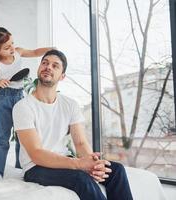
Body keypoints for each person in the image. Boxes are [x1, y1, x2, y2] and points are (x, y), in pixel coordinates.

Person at [12, 49, 133, 200]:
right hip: (36, 167)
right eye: (45, 63)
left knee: (116, 170)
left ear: (62, 76)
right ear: (39, 69)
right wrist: (78, 164)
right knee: (80, 179)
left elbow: (80, 142)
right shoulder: (23, 107)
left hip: (63, 160)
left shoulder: (70, 104)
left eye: (55, 65)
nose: (48, 67)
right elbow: (36, 154)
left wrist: (93, 164)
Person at [0, 24, 53, 178]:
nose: (12, 48)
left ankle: (20, 166)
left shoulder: (19, 53)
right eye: (7, 47)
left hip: (20, 97)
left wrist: (50, 49)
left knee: (22, 135)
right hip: (3, 99)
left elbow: (35, 52)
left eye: (12, 44)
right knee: (2, 138)